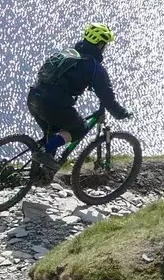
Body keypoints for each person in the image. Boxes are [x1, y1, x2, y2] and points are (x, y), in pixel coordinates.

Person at [26, 23, 127, 177]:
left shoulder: (69, 53)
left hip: (34, 96)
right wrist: (120, 113)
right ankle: (44, 153)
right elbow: (107, 97)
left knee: (52, 133)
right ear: (100, 45)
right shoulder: (94, 67)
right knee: (79, 128)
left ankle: (39, 175)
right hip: (52, 105)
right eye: (105, 44)